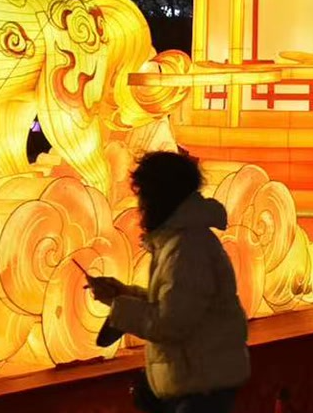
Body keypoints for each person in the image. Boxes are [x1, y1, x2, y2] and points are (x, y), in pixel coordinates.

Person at [87, 151, 250, 412]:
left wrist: (120, 308)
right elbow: (175, 303)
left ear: (161, 197)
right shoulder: (178, 241)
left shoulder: (187, 247)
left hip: (200, 386)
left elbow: (172, 323)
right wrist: (122, 294)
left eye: (143, 196)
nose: (139, 206)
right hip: (196, 379)